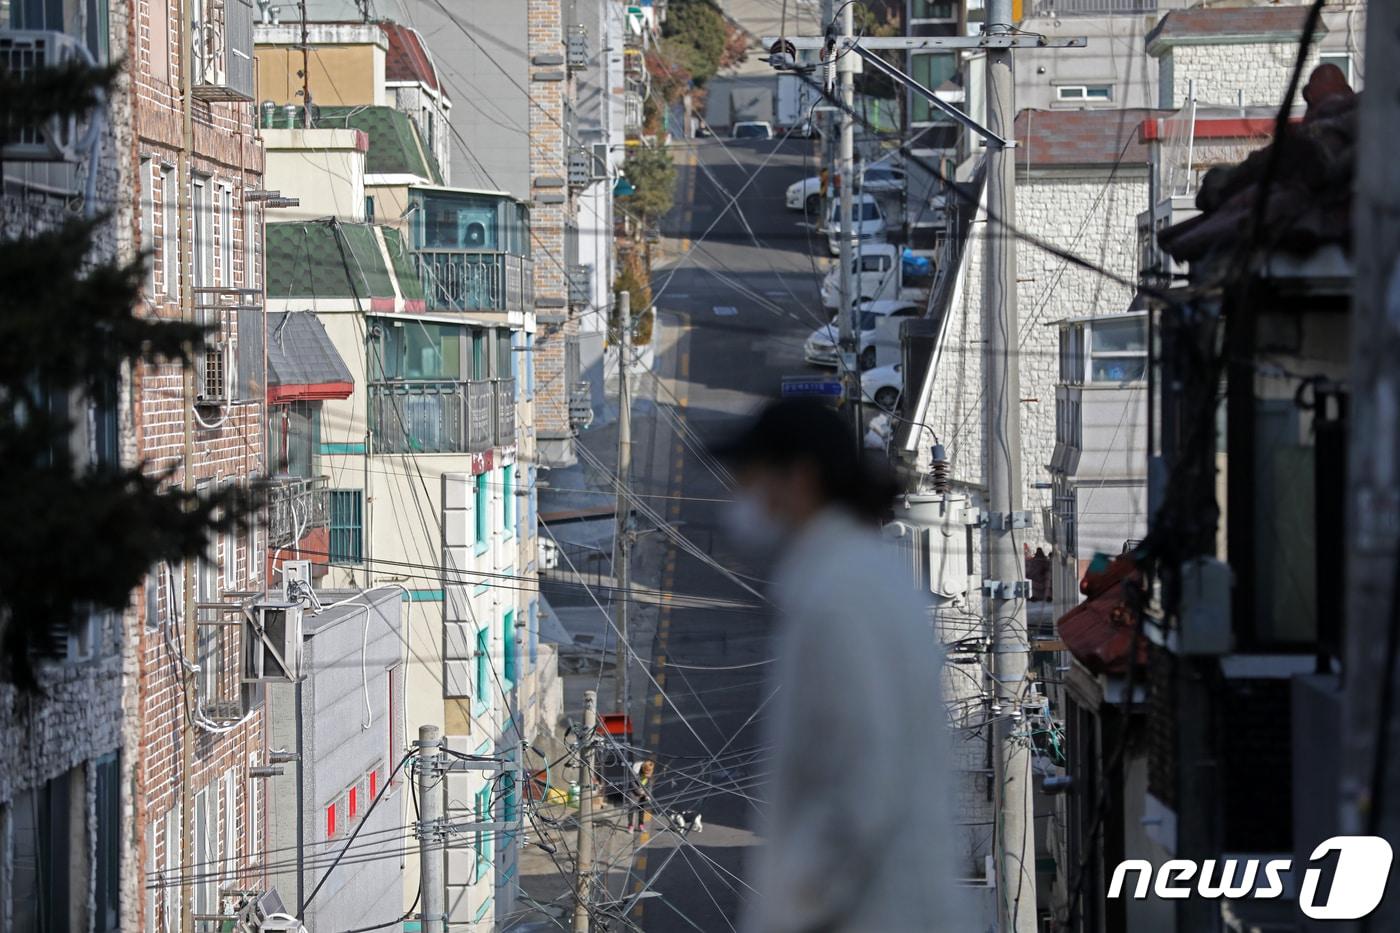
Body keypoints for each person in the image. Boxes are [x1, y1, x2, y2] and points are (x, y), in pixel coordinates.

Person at [715, 399, 971, 933]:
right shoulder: (860, 575)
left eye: (751, 481)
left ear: (800, 479)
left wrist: (796, 909)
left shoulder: (839, 594)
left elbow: (861, 786)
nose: (739, 501)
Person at [626, 758, 654, 833]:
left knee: (641, 810)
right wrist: (639, 791)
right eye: (647, 771)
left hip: (643, 794)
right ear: (643, 768)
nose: (648, 774)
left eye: (650, 772)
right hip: (633, 793)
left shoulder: (650, 772)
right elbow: (632, 783)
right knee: (631, 809)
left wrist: (648, 795)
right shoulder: (635, 771)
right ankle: (630, 826)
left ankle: (641, 825)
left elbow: (650, 785)